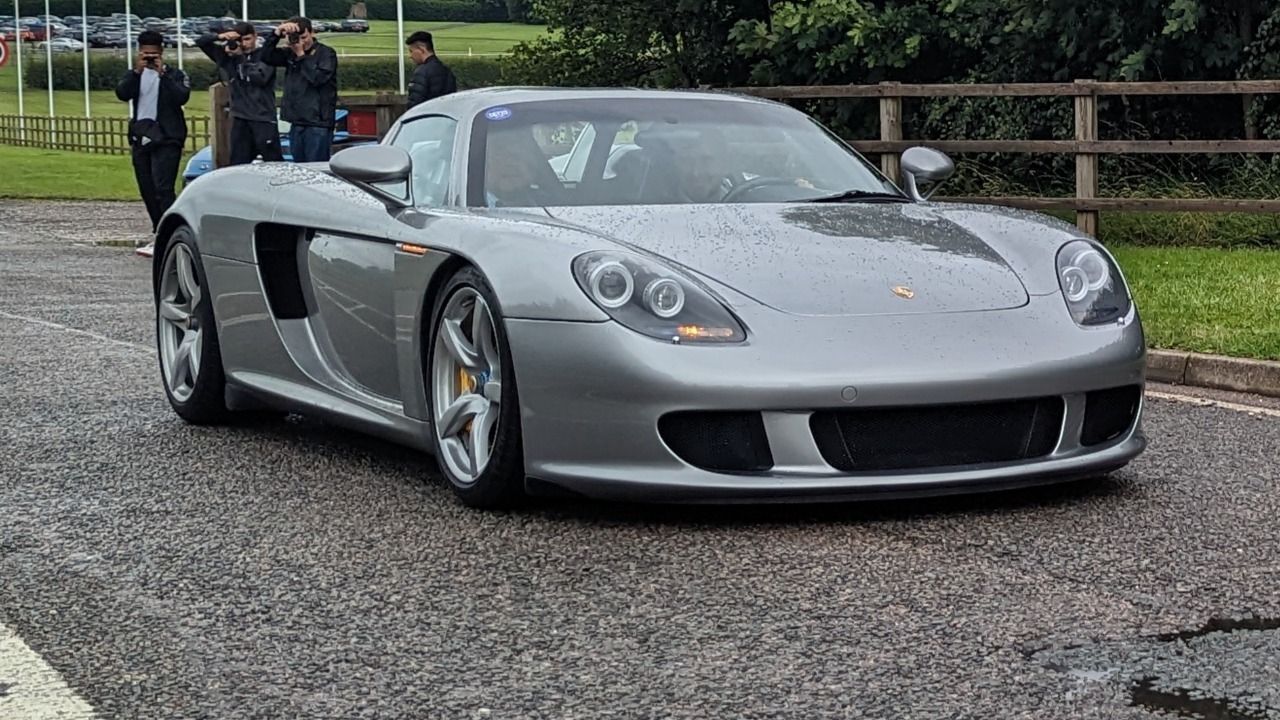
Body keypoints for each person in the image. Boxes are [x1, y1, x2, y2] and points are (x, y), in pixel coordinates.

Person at [115, 29, 190, 238]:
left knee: (163, 188)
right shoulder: (134, 75)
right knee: (147, 188)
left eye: (153, 55)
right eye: (145, 54)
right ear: (139, 52)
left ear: (161, 52)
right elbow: (122, 93)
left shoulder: (175, 75)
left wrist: (162, 74)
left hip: (167, 137)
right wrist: (136, 72)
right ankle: (158, 229)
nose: (149, 59)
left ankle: (172, 231)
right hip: (141, 136)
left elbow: (182, 97)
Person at [195, 21, 282, 165]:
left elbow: (260, 78)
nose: (244, 44)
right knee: (238, 163)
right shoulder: (228, 56)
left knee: (273, 163)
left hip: (263, 118)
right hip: (240, 118)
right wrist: (220, 36)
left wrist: (240, 57)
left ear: (255, 37)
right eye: (240, 40)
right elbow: (201, 41)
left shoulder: (265, 55)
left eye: (247, 39)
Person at [265, 16, 339, 163]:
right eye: (296, 38)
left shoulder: (326, 54)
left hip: (318, 123)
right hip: (296, 121)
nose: (301, 42)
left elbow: (318, 79)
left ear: (312, 33)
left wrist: (301, 55)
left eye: (304, 37)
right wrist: (276, 34)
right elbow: (265, 56)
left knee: (317, 168)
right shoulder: (289, 54)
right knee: (300, 168)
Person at [405, 31, 457, 108]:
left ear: (421, 49)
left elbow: (415, 104)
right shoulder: (447, 72)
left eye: (411, 51)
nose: (410, 56)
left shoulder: (422, 72)